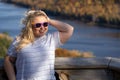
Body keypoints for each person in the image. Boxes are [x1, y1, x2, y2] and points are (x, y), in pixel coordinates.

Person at [4, 9, 74, 80]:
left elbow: (69, 29)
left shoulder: (51, 40)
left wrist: (49, 20)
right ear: (30, 26)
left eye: (45, 24)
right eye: (38, 25)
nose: (42, 27)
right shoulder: (19, 41)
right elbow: (8, 60)